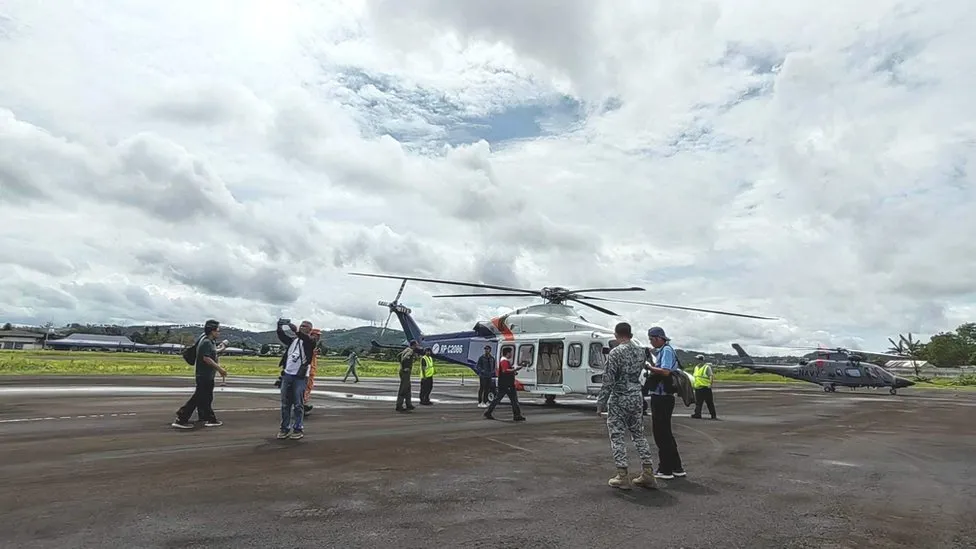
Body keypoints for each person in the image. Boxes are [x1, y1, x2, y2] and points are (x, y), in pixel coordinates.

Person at [596, 322, 658, 490]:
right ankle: (648, 472)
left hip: (619, 397)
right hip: (636, 396)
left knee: (617, 436)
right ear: (630, 334)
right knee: (639, 435)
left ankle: (622, 475)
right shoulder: (640, 352)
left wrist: (601, 402)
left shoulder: (616, 353)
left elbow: (608, 380)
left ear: (616, 334)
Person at [645, 326, 686, 479]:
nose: (651, 342)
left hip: (662, 396)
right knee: (666, 433)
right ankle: (676, 467)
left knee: (661, 434)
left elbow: (666, 371)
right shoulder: (664, 350)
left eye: (651, 339)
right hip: (663, 397)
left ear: (657, 338)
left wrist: (649, 367)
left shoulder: (667, 351)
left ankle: (665, 469)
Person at [172, 319, 227, 429]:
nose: (219, 333)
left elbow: (212, 352)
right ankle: (182, 418)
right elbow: (206, 358)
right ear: (212, 331)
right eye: (218, 330)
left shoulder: (208, 340)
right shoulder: (206, 342)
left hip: (207, 376)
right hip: (204, 376)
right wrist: (220, 369)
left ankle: (206, 417)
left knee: (206, 398)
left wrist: (221, 348)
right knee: (198, 398)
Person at [275, 319, 318, 439]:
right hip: (288, 374)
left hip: (300, 377)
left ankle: (298, 428)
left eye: (305, 326)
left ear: (309, 330)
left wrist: (296, 330)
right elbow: (282, 337)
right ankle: (284, 428)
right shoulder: (293, 341)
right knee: (285, 404)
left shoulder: (311, 341)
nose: (302, 327)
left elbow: (306, 338)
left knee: (298, 404)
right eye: (301, 325)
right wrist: (279, 327)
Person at [483, 347, 526, 422]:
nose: (511, 354)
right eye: (510, 353)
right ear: (508, 353)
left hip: (504, 383)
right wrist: (515, 369)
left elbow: (505, 370)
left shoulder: (504, 361)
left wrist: (513, 372)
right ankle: (516, 415)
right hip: (507, 384)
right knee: (513, 399)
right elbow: (505, 370)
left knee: (499, 399)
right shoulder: (504, 361)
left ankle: (488, 412)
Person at [396, 340, 423, 412]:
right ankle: (399, 406)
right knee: (403, 388)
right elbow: (405, 358)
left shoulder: (406, 350)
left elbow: (399, 355)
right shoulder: (410, 351)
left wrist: (401, 365)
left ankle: (409, 404)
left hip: (404, 371)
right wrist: (405, 367)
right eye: (416, 345)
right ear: (413, 345)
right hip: (405, 372)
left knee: (408, 388)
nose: (417, 346)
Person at [691, 354, 717, 419]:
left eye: (698, 359)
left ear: (701, 360)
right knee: (698, 402)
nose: (697, 361)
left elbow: (711, 376)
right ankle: (697, 414)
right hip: (698, 387)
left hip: (705, 387)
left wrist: (710, 384)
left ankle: (713, 415)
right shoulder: (696, 367)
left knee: (709, 402)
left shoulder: (706, 367)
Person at [302, 328, 322, 414]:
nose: (318, 337)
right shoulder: (309, 344)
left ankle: (302, 404)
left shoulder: (312, 345)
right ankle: (302, 405)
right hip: (308, 371)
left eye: (319, 335)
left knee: (307, 388)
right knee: (306, 388)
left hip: (311, 370)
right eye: (316, 335)